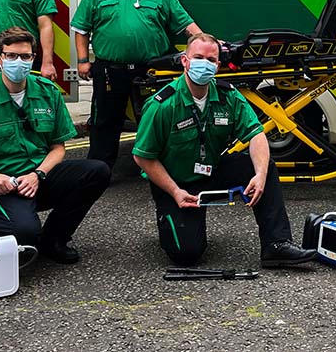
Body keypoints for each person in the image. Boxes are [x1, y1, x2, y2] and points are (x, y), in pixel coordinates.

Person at [133, 34, 316, 268]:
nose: (204, 64)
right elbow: (142, 156)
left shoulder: (228, 95)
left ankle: (276, 245)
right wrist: (175, 191)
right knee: (187, 255)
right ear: (185, 61)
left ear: (218, 66)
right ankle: (176, 222)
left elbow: (256, 134)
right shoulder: (162, 105)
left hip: (212, 171)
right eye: (198, 57)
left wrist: (259, 176)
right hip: (176, 183)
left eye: (210, 60)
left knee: (262, 165)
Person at [0, 27, 110, 263]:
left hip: (37, 177)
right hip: (2, 186)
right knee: (24, 236)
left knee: (97, 171)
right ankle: (15, 228)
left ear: (33, 57)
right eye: (11, 56)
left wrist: (38, 174)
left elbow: (58, 148)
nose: (19, 62)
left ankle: (54, 239)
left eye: (25, 57)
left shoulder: (48, 93)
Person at [72, 0, 204, 168]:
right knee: (105, 120)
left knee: (158, 117)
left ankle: (161, 165)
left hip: (151, 69)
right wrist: (83, 60)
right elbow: (81, 29)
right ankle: (98, 169)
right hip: (110, 70)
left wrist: (204, 43)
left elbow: (185, 24)